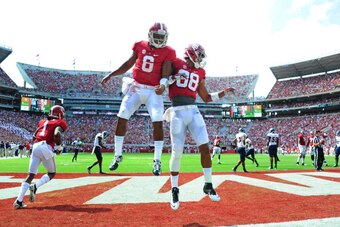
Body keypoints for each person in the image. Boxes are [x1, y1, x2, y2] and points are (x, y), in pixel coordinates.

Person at [163, 43, 234, 210]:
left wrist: (223, 93)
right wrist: (171, 79)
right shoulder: (176, 63)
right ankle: (174, 188)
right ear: (191, 54)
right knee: (177, 151)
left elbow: (206, 97)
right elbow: (163, 80)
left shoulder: (200, 72)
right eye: (199, 55)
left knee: (205, 147)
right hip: (177, 112)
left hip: (193, 111)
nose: (201, 59)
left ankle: (208, 184)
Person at [101, 22, 176, 176]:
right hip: (136, 87)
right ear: (150, 35)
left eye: (163, 37)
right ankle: (117, 155)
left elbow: (165, 73)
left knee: (157, 122)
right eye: (157, 36)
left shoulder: (168, 52)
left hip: (154, 90)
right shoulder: (139, 45)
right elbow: (129, 63)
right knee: (122, 116)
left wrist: (163, 85)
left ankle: (157, 161)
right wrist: (112, 74)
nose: (160, 40)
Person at [13, 105, 67, 209]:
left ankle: (18, 201)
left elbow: (35, 135)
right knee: (51, 173)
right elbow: (56, 133)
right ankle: (35, 186)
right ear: (60, 113)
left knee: (30, 175)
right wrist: (59, 147)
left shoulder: (42, 122)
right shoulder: (60, 122)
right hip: (45, 146)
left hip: (36, 145)